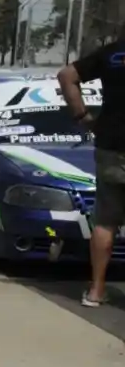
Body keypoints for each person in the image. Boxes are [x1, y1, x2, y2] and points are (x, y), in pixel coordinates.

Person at [57, 22, 125, 308]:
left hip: (111, 144)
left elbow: (66, 75)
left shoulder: (112, 53)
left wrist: (82, 116)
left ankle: (96, 290)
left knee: (106, 222)